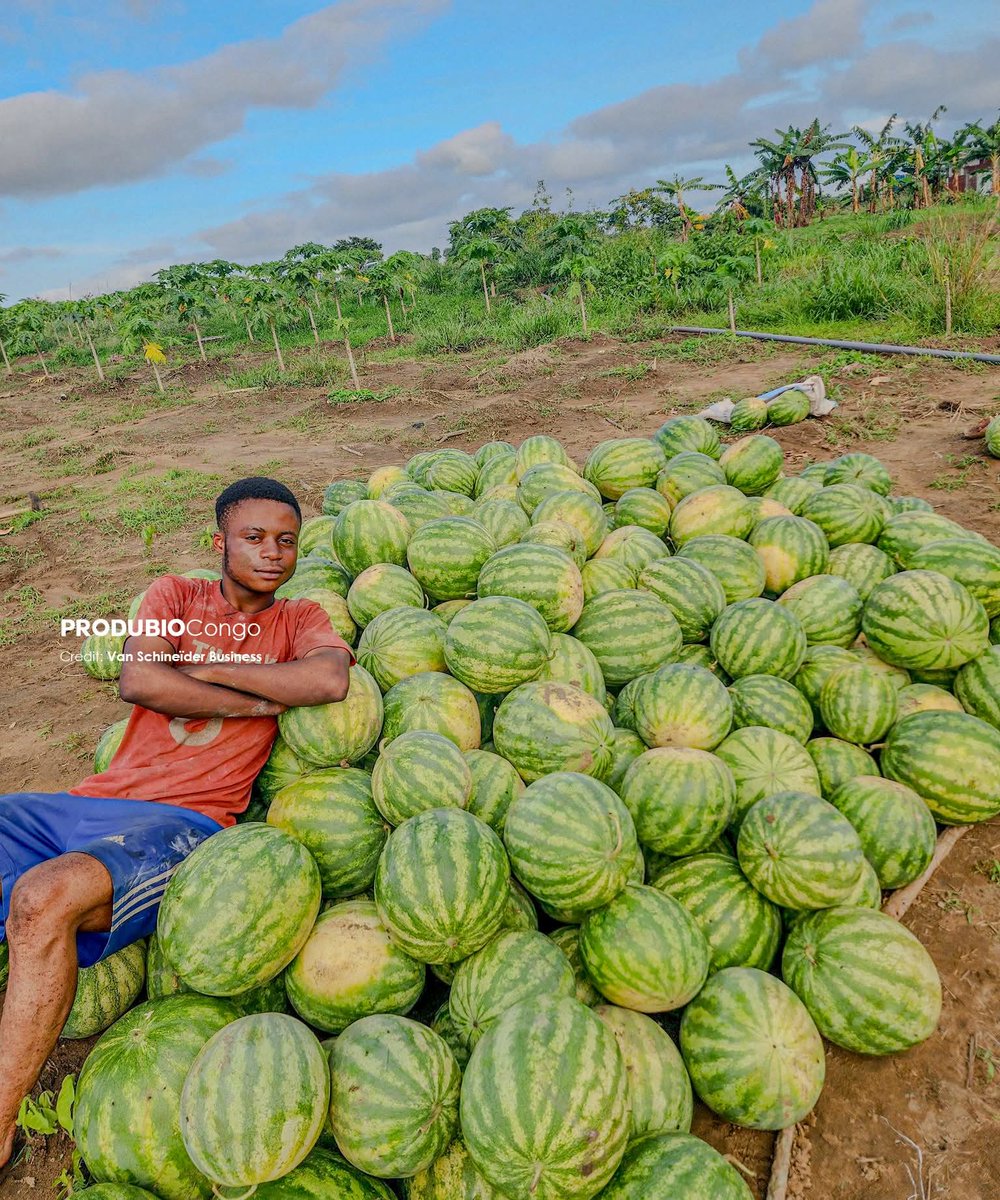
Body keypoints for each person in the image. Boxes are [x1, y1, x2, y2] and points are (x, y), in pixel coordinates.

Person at [0, 476, 353, 1177]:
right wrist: (260, 690)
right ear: (218, 541)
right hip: (88, 800)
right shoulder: (174, 595)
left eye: (286, 539)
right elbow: (141, 680)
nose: (272, 552)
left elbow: (327, 683)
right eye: (254, 537)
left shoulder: (302, 617)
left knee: (44, 899)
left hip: (183, 826)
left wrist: (212, 666)